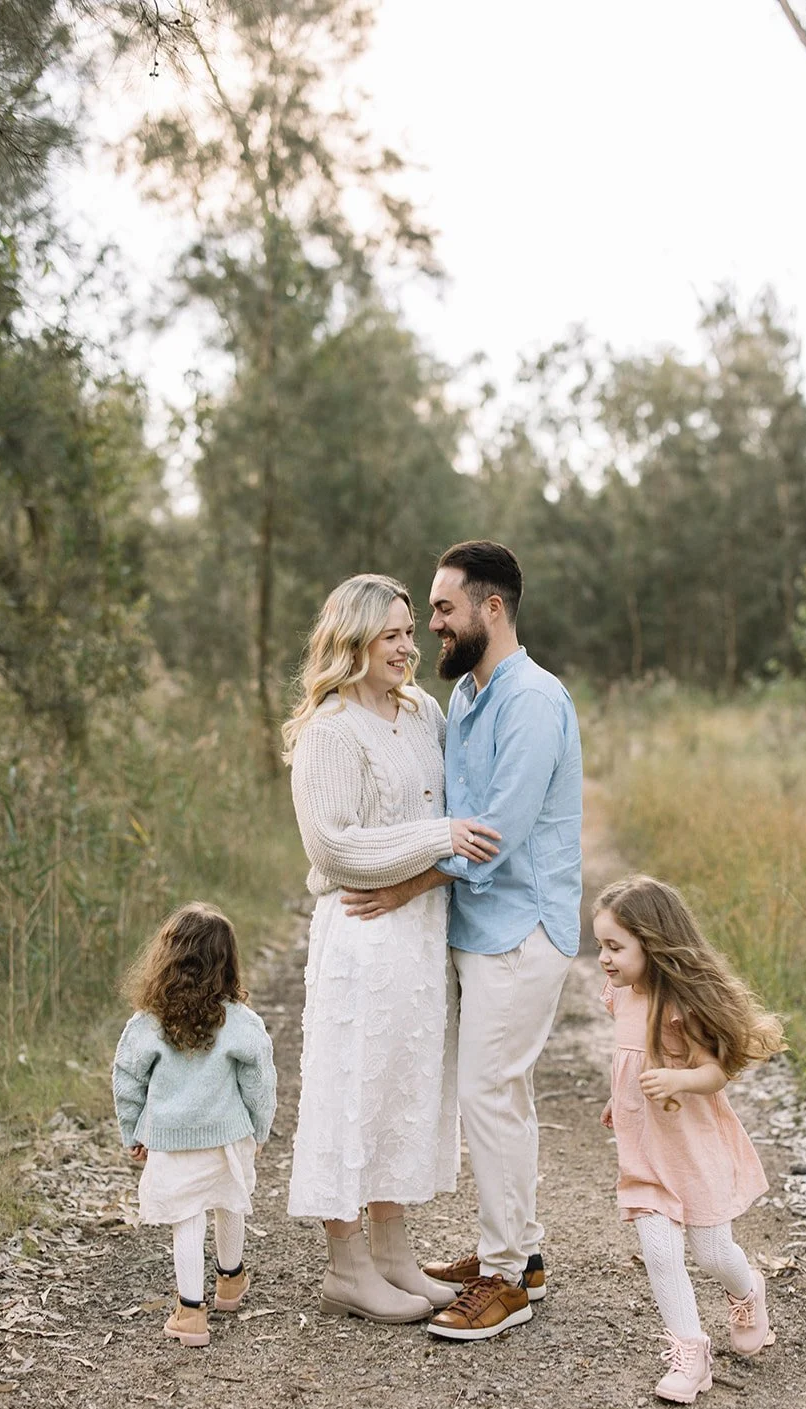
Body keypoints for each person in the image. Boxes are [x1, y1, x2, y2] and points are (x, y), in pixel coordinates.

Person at [341, 542, 582, 1341]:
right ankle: (521, 1256)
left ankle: (506, 1275)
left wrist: (404, 886)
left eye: (442, 610)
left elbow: (498, 835)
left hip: (522, 928)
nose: (433, 626)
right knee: (497, 1093)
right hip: (478, 930)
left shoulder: (532, 701)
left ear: (491, 609)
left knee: (486, 1094)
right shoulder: (471, 698)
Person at [283, 573, 500, 1324]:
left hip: (416, 933)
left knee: (404, 1093)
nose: (409, 648)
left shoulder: (420, 712)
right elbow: (336, 849)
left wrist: (435, 854)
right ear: (352, 642)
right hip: (361, 935)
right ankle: (346, 1267)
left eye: (411, 632)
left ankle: (394, 1255)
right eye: (392, 636)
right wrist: (437, 839)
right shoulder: (330, 730)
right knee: (353, 1093)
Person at [593, 874, 784, 1403]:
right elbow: (630, 1059)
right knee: (658, 1248)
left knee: (710, 1250)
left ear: (652, 945)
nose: (605, 959)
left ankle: (746, 1289)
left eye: (616, 947)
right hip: (644, 1147)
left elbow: (715, 1073)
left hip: (692, 1144)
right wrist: (622, 1097)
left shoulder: (682, 1003)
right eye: (601, 946)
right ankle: (689, 1351)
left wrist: (677, 1079)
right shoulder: (621, 994)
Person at [112, 902, 277, 1349]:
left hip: (171, 1140)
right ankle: (230, 1281)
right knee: (228, 1202)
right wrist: (260, 1129)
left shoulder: (147, 1024)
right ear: (227, 963)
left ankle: (190, 1312)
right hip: (229, 1135)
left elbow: (127, 1080)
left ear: (165, 959)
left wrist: (134, 1131)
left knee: (187, 1217)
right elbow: (260, 1081)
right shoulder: (240, 1022)